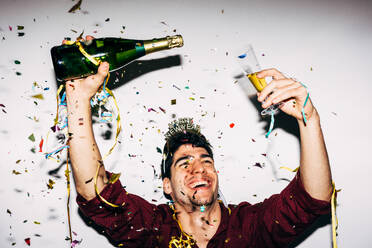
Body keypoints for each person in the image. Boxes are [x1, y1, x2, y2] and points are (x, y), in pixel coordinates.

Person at [65, 43, 333, 247]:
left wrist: (309, 118)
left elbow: (313, 200)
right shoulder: (151, 230)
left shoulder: (249, 227)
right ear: (167, 185)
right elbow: (97, 195)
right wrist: (79, 100)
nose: (199, 169)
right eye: (184, 162)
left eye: (206, 161)